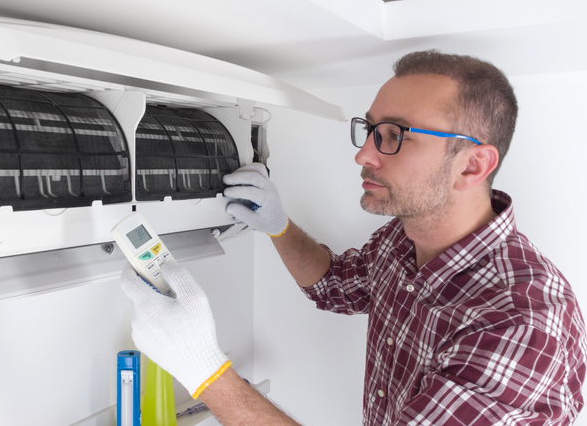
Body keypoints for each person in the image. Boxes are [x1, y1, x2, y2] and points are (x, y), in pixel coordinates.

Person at [120, 50, 587, 425]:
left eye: (394, 135)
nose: (364, 154)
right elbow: (336, 285)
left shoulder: (521, 323)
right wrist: (279, 227)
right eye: (369, 130)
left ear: (472, 165)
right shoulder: (403, 239)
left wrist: (203, 369)